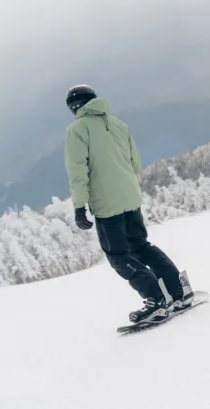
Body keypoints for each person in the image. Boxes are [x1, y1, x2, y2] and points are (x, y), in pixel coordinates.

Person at [64, 84, 194, 324]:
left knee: (118, 255)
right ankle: (179, 290)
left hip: (107, 204)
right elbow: (135, 163)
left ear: (74, 107)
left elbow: (78, 173)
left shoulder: (77, 130)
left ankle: (156, 298)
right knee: (142, 246)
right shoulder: (117, 124)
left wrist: (80, 206)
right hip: (130, 198)